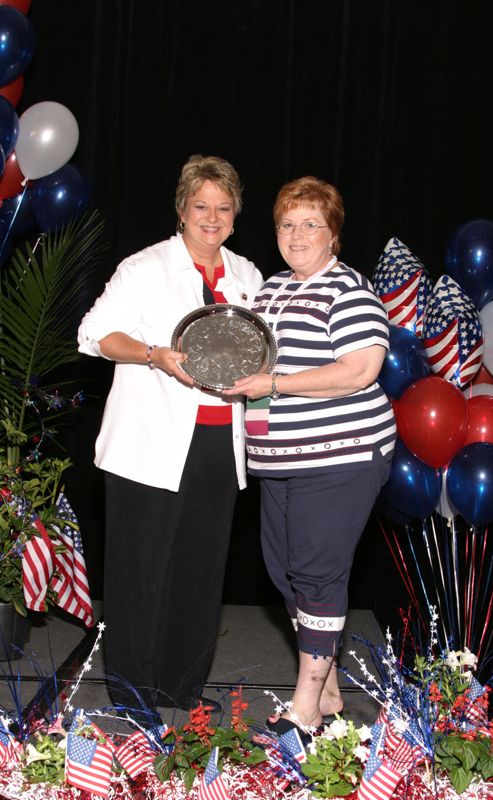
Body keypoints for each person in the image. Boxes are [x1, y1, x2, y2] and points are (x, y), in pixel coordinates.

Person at [78, 154, 263, 713]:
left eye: (223, 207)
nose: (212, 217)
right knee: (139, 574)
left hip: (217, 445)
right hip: (148, 446)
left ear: (235, 216)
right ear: (182, 209)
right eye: (201, 205)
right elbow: (93, 334)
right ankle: (133, 692)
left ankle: (181, 686)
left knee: (200, 571)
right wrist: (153, 355)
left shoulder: (248, 276)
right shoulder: (144, 268)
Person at [225, 176, 396, 734]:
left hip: (341, 454)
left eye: (310, 224)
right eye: (287, 224)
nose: (297, 235)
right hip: (280, 461)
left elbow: (361, 369)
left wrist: (277, 382)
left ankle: (304, 707)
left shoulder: (348, 290)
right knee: (284, 573)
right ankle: (329, 693)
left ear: (334, 234)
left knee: (317, 574)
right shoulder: (271, 289)